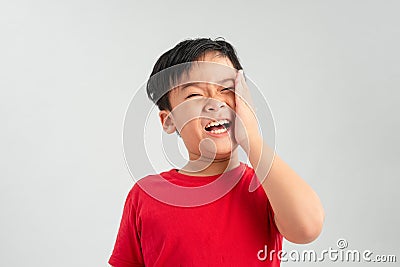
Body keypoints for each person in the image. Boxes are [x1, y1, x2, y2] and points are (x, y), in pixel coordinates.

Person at [109, 38, 324, 267]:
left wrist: (251, 138)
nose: (215, 103)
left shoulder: (266, 186)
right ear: (169, 121)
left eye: (227, 90)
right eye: (193, 95)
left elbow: (307, 228)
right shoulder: (145, 195)